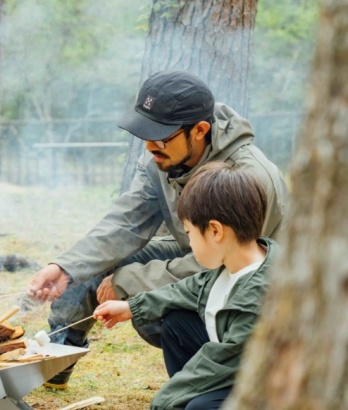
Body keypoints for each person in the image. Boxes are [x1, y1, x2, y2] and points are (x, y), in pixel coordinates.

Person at [27, 70, 289, 388]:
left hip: (248, 289)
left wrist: (129, 282)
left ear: (200, 130)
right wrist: (64, 267)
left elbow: (220, 268)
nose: (150, 146)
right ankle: (60, 351)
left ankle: (212, 388)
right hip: (198, 255)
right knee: (92, 265)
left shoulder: (249, 177)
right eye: (145, 134)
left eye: (161, 135)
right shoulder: (163, 155)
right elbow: (125, 223)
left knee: (166, 313)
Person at [94, 162, 276, 410]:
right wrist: (131, 307)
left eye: (189, 233)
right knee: (177, 324)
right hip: (237, 365)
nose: (189, 243)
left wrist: (163, 402)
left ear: (215, 231)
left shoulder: (254, 297)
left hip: (265, 386)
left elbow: (218, 362)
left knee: (200, 406)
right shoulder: (234, 264)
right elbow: (189, 289)